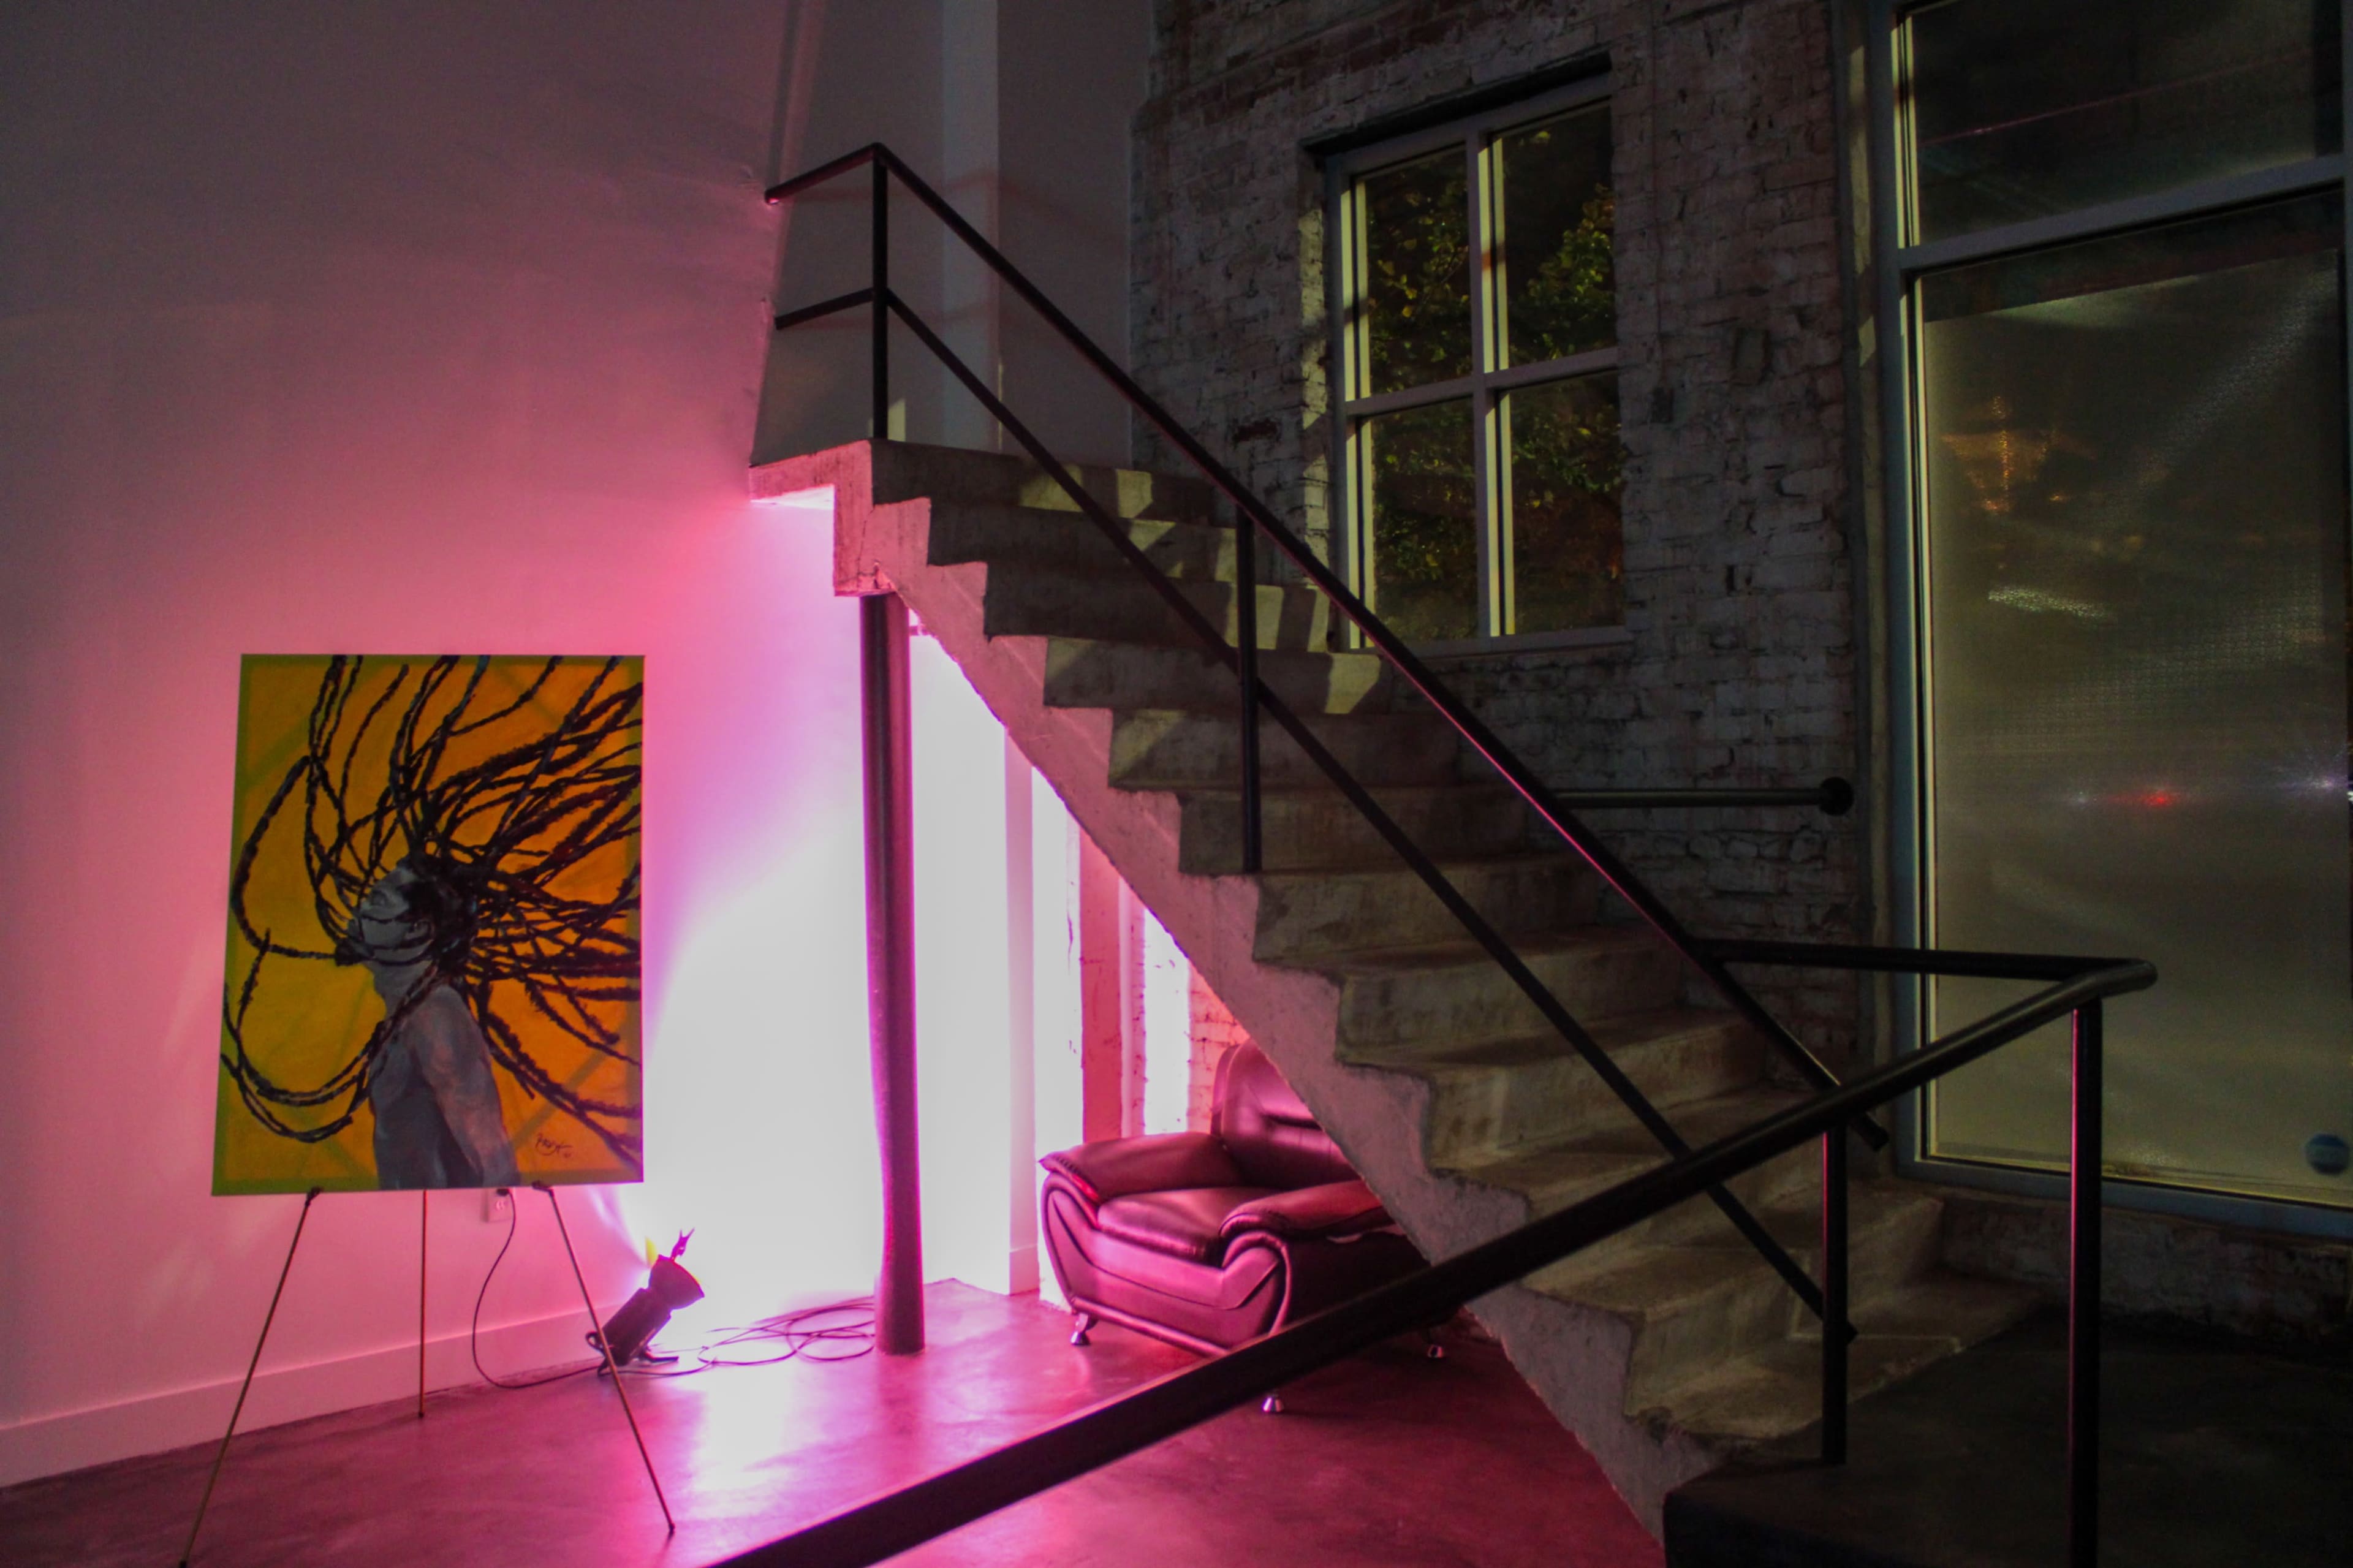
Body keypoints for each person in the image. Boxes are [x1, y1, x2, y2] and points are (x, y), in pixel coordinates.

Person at [340, 857, 522, 1189]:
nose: (360, 911)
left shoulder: (434, 1017)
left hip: (449, 1229)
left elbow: (490, 1154)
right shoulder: (410, 1013)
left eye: (378, 901)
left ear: (419, 929)